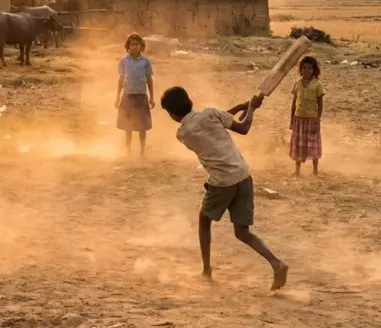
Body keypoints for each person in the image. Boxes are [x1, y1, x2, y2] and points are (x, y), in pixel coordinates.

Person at [160, 86, 289, 290]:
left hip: (222, 182)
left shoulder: (183, 133)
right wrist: (250, 109)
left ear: (172, 114)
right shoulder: (211, 112)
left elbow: (209, 126)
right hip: (243, 174)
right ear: (189, 100)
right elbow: (239, 127)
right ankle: (276, 262)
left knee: (204, 221)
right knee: (242, 231)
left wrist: (244, 107)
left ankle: (206, 270)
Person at [114, 33, 155, 157]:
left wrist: (152, 97)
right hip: (127, 96)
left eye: (137, 45)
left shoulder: (146, 62)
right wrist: (117, 96)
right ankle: (128, 151)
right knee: (128, 126)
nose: (134, 47)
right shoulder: (124, 61)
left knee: (142, 126)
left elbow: (149, 80)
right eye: (132, 44)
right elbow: (121, 79)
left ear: (141, 47)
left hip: (141, 96)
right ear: (128, 46)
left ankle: (142, 151)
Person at [289, 56, 324, 177]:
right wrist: (292, 119)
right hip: (299, 118)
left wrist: (318, 120)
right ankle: (297, 170)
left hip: (311, 119)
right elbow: (294, 102)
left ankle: (315, 170)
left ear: (314, 70)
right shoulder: (297, 84)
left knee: (313, 144)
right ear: (300, 69)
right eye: (304, 68)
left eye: (310, 68)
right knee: (298, 145)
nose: (307, 71)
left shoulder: (317, 84)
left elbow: (320, 103)